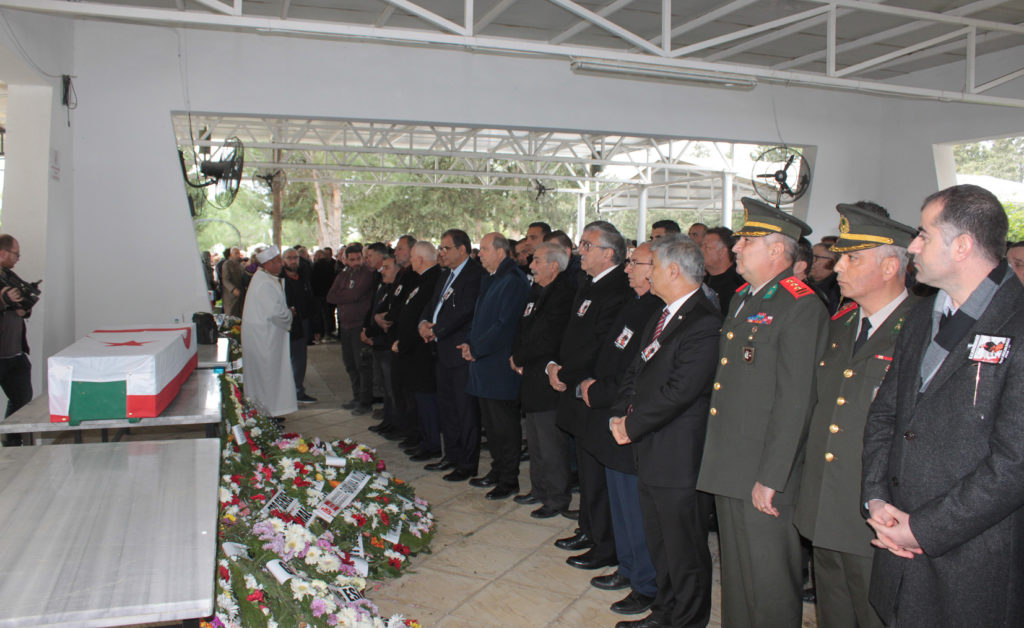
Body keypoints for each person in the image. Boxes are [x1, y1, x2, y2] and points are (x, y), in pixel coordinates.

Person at [861, 184, 1024, 628]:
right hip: (898, 544)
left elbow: (1014, 464)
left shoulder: (1017, 321)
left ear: (963, 246)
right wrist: (877, 500)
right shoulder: (921, 315)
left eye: (924, 234)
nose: (913, 245)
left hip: (971, 561)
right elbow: (887, 415)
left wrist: (923, 528)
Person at [697, 197, 828, 628]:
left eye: (747, 240)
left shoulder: (800, 305)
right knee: (737, 577)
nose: (735, 247)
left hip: (766, 473)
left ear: (777, 250)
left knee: (769, 581)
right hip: (732, 463)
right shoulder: (742, 298)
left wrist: (772, 476)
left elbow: (796, 400)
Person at [793, 202, 917, 628]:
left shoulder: (921, 328)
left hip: (877, 507)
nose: (838, 266)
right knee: (834, 610)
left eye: (852, 257)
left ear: (889, 267)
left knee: (874, 612)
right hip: (827, 500)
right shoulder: (843, 321)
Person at [610, 234, 722, 628]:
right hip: (651, 446)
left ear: (673, 270)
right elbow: (637, 371)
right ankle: (665, 611)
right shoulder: (663, 314)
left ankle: (687, 620)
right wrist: (620, 413)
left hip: (678, 454)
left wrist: (632, 424)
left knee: (684, 547)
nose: (646, 275)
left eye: (652, 267)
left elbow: (682, 390)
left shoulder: (704, 321)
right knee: (660, 540)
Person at [579, 241, 663, 617]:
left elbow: (637, 371)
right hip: (609, 412)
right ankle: (628, 568)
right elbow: (611, 352)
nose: (628, 269)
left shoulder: (658, 310)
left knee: (635, 507)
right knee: (620, 504)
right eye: (628, 262)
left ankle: (644, 582)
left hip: (628, 418)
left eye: (636, 263)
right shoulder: (635, 303)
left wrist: (600, 392)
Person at [549, 220, 633, 570]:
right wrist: (554, 364)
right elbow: (572, 335)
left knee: (597, 475)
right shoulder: (589, 284)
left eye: (586, 245)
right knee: (586, 470)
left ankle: (603, 543)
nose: (579, 251)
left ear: (608, 253)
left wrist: (565, 374)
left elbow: (598, 346)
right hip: (575, 387)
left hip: (592, 392)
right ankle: (588, 528)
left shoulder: (616, 290)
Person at [461, 233, 530, 499]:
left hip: (499, 365)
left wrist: (476, 349)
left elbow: (504, 324)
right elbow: (479, 318)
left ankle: (508, 478)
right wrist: (469, 343)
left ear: (501, 252)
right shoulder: (491, 278)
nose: (479, 254)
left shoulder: (513, 281)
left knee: (505, 426)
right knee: (491, 426)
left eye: (485, 249)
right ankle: (497, 470)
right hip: (483, 364)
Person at [511, 241, 576, 517]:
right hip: (530, 376)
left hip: (547, 376)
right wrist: (515, 354)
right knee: (536, 441)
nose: (531, 265)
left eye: (537, 261)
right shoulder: (536, 290)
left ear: (553, 265)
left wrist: (522, 356)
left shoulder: (564, 293)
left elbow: (548, 335)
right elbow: (523, 325)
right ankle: (538, 489)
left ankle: (556, 498)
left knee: (550, 444)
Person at [419, 229, 483, 482]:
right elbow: (432, 304)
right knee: (447, 408)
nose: (441, 252)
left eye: (446, 248)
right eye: (440, 248)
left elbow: (465, 311)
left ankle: (467, 463)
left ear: (462, 250)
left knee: (464, 410)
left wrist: (437, 330)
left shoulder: (474, 275)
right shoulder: (445, 274)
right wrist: (423, 323)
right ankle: (452, 455)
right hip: (441, 350)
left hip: (458, 351)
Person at [394, 241, 445, 463]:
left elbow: (420, 316)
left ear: (420, 259)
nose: (412, 262)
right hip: (412, 350)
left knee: (427, 401)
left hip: (422, 351)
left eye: (414, 257)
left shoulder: (433, 279)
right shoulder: (421, 278)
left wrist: (404, 343)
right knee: (419, 400)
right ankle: (424, 439)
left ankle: (431, 444)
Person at [241, 246, 297, 418]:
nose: (281, 264)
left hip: (266, 336)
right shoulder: (264, 283)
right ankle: (266, 413)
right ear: (268, 264)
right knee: (268, 375)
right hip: (265, 339)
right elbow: (275, 312)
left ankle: (269, 411)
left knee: (269, 375)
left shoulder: (264, 278)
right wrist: (290, 314)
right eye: (278, 261)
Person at [327, 244, 375, 415]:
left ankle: (365, 401)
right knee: (350, 364)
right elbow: (331, 296)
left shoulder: (366, 274)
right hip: (345, 326)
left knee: (362, 364)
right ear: (345, 259)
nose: (355, 262)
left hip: (358, 325)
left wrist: (345, 294)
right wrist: (349, 293)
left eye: (358, 259)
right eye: (352, 259)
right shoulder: (343, 274)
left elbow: (356, 294)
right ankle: (356, 396)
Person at [0, 235, 34, 447]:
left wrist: (24, 307)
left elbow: (20, 304)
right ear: (2, 253)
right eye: (16, 254)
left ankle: (13, 444)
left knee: (22, 400)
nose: (18, 258)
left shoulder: (10, 277)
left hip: (15, 353)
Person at [281, 247, 318, 404]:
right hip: (285, 324)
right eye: (289, 258)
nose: (293, 261)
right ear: (284, 261)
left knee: (300, 358)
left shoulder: (303, 277)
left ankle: (298, 390)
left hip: (302, 323)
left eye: (295, 257)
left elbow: (311, 301)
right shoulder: (279, 280)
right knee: (285, 359)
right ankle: (284, 392)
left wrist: (316, 327)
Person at [701, 226, 743, 312]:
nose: (701, 250)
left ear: (722, 252)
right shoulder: (700, 280)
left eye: (707, 247)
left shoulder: (737, 286)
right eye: (701, 246)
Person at [810, 241, 842, 314]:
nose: (810, 261)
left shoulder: (838, 291)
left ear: (832, 262)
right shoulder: (804, 284)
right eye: (810, 257)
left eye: (815, 257)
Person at [221, 246, 246, 317]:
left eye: (238, 253)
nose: (238, 255)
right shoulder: (227, 264)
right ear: (231, 254)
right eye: (236, 253)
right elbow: (225, 280)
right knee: (231, 317)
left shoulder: (241, 264)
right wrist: (233, 289)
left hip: (240, 296)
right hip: (230, 297)